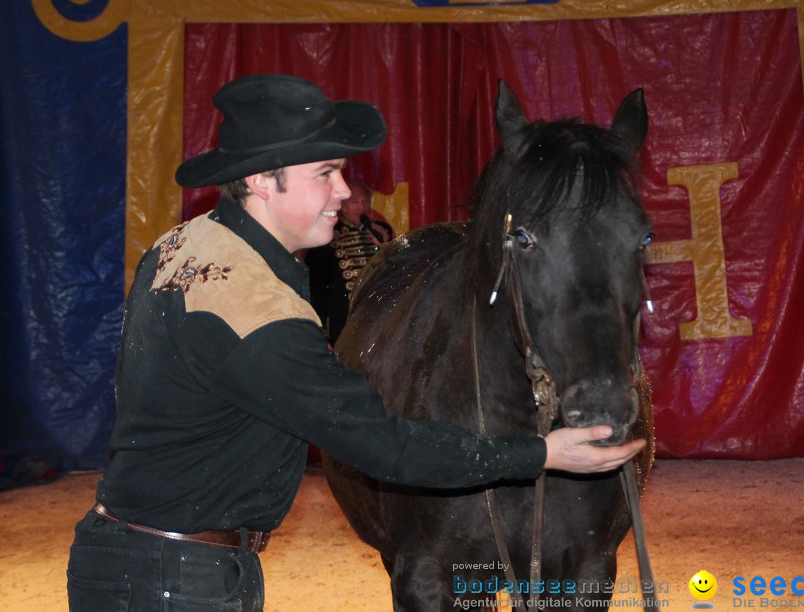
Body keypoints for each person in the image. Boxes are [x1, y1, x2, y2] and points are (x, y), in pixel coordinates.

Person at [66, 74, 645, 612]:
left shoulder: (178, 247)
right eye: (325, 173)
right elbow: (385, 446)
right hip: (179, 580)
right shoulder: (259, 312)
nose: (344, 191)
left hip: (131, 559)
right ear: (259, 180)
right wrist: (542, 454)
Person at [305, 177, 393, 342]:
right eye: (354, 202)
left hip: (377, 315)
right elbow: (316, 286)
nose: (362, 207)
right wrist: (320, 328)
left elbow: (393, 271)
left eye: (365, 201)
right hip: (342, 319)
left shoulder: (382, 231)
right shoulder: (327, 235)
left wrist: (385, 247)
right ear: (342, 206)